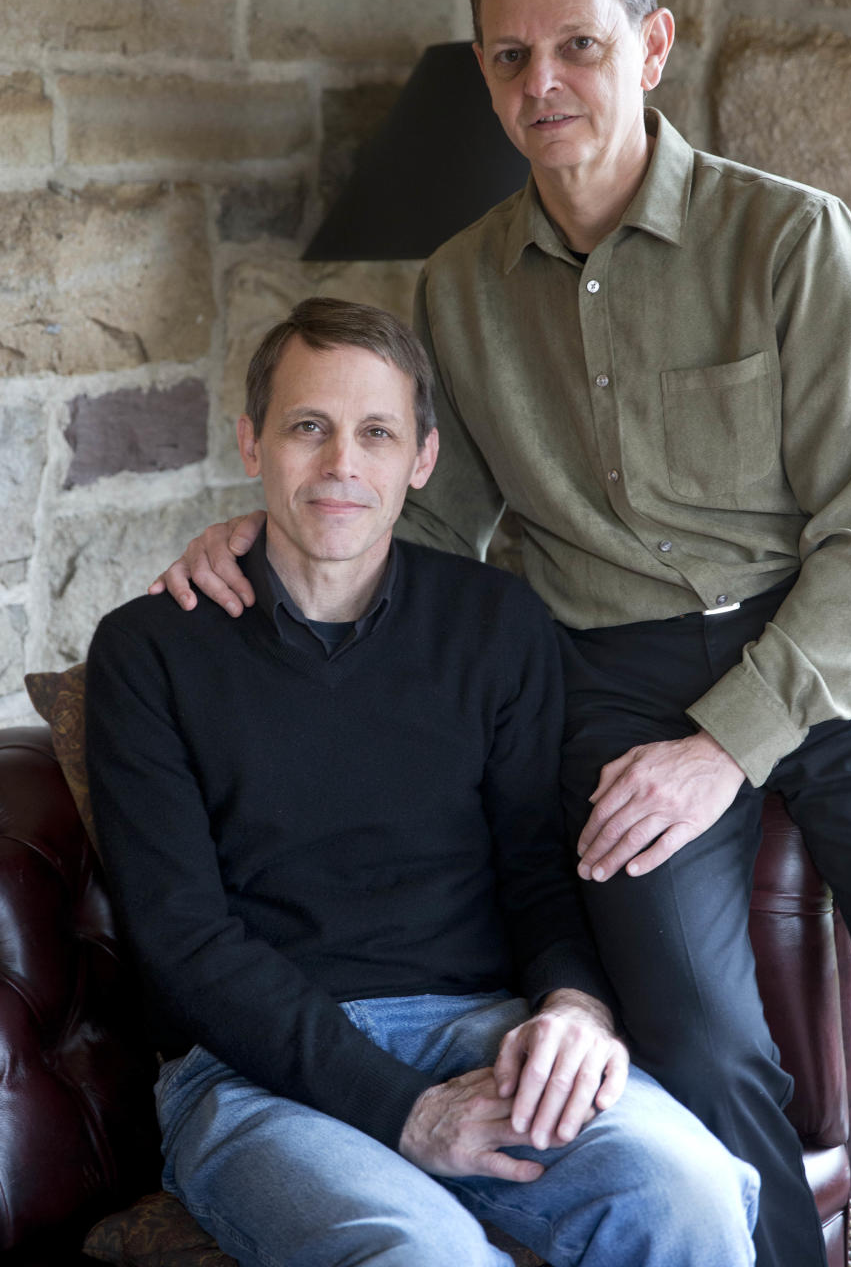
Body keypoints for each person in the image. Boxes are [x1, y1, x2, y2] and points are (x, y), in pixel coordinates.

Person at [152, 0, 851, 1267]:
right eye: (512, 55)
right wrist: (260, 538)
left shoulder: (790, 240)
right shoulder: (457, 288)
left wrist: (724, 747)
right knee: (694, 1033)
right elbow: (428, 515)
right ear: (484, 71)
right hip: (613, 681)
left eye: (578, 47)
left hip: (836, 654)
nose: (544, 85)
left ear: (651, 49)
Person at [86, 297, 758, 1267]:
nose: (341, 466)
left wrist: (575, 1005)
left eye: (376, 434)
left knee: (686, 1194)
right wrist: (405, 1111)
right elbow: (182, 941)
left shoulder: (496, 625)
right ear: (252, 444)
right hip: (251, 1075)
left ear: (423, 460)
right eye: (307, 428)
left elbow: (537, 869)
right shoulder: (149, 653)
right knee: (422, 1254)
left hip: (488, 1035)